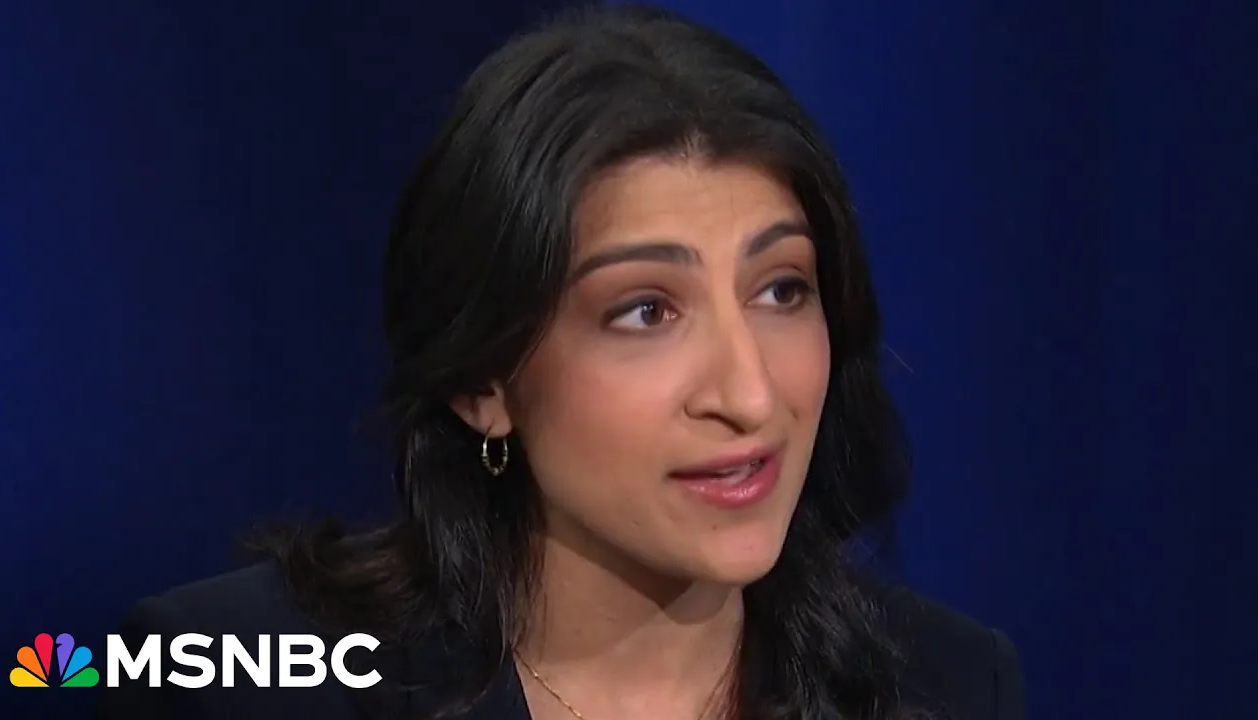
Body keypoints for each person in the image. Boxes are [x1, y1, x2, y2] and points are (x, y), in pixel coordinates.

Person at [97, 5, 1024, 720]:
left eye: (782, 290)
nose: (749, 394)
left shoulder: (944, 684)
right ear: (482, 381)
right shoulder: (233, 679)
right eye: (646, 311)